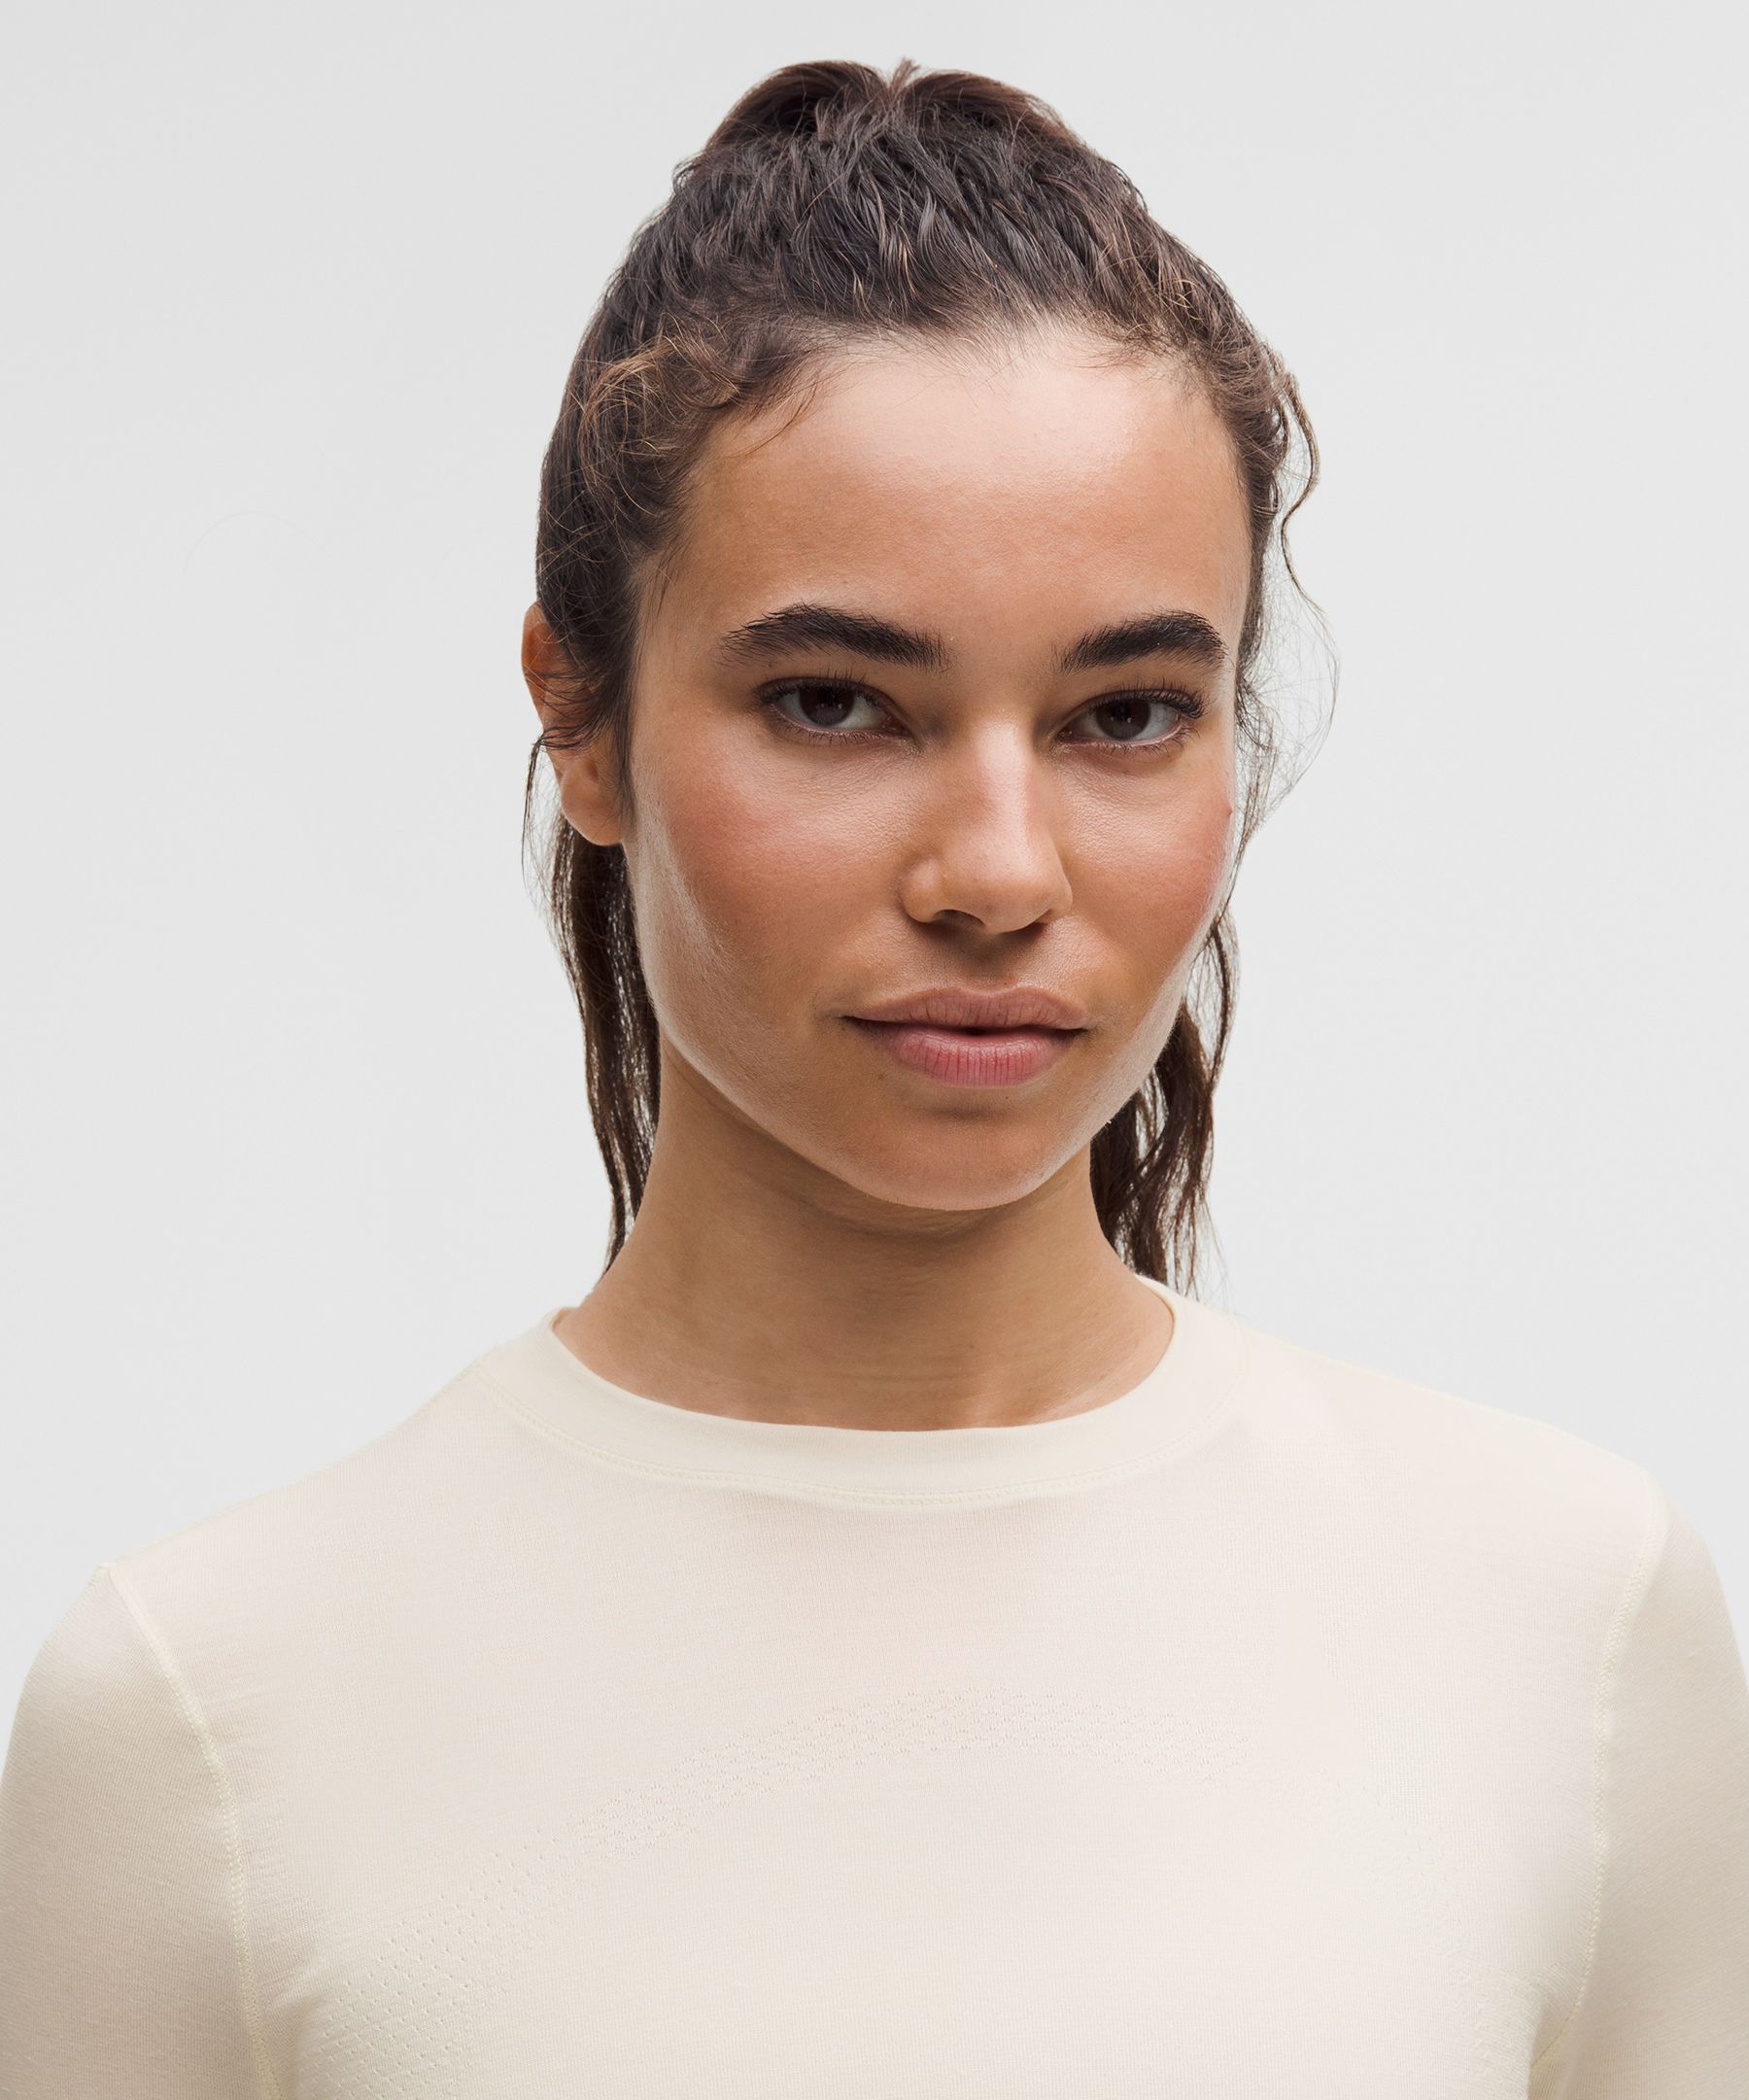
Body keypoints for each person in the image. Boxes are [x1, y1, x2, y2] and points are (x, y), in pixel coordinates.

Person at [2, 54, 1745, 2099]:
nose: (998, 872)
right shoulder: (202, 1713)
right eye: (836, 701)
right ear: (582, 719)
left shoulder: (1570, 1628)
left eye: (1124, 713)